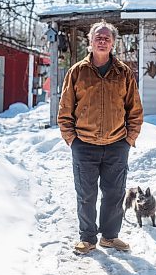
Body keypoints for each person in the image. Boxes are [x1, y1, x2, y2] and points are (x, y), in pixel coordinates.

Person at [57, 20, 143, 254]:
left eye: (107, 37)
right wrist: (71, 139)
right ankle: (87, 238)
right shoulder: (77, 72)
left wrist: (129, 139)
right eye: (98, 37)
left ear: (114, 42)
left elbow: (134, 110)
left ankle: (109, 236)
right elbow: (65, 109)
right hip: (84, 145)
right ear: (90, 42)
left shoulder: (123, 72)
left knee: (114, 195)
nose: (103, 40)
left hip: (117, 145)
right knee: (86, 194)